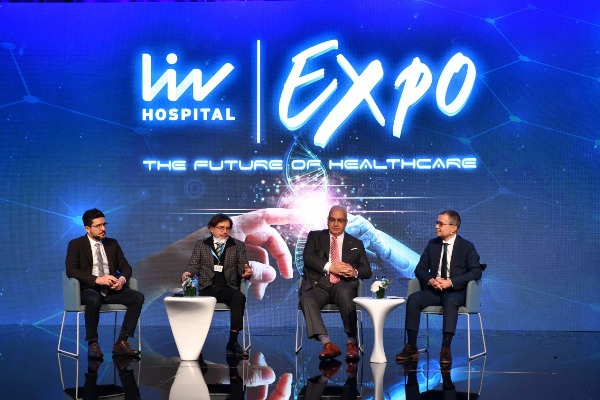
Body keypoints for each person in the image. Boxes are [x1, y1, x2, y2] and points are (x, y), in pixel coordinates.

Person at [396, 210, 482, 365]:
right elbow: (420, 269)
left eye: (441, 224)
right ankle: (411, 346)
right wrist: (431, 281)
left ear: (453, 228)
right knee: (414, 299)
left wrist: (451, 282)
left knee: (451, 300)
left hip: (457, 292)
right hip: (435, 290)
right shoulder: (433, 244)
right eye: (437, 223)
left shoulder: (467, 247)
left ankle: (446, 348)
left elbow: (476, 272)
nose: (436, 226)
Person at [65, 208, 144, 359]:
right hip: (88, 289)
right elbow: (71, 271)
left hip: (110, 290)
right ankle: (93, 343)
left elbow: (126, 267)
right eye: (98, 226)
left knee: (137, 297)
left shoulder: (112, 243)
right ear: (87, 228)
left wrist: (121, 280)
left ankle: (122, 342)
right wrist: (96, 279)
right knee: (94, 298)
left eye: (104, 224)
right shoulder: (76, 244)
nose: (103, 228)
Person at [299, 205, 372, 361]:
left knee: (345, 294)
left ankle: (352, 342)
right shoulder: (315, 236)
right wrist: (331, 267)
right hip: (320, 285)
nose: (336, 224)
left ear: (345, 223)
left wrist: (354, 272)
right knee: (306, 299)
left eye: (340, 220)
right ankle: (327, 344)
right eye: (332, 220)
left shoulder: (356, 243)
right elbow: (308, 258)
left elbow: (367, 270)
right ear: (327, 221)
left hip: (343, 284)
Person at [181, 213, 252, 357]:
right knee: (196, 303)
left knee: (239, 297)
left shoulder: (237, 245)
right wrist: (188, 272)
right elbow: (193, 264)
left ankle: (233, 342)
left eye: (227, 228)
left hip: (228, 288)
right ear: (211, 229)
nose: (225, 231)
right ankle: (195, 343)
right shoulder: (201, 245)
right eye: (221, 228)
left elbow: (242, 266)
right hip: (207, 288)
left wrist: (246, 273)